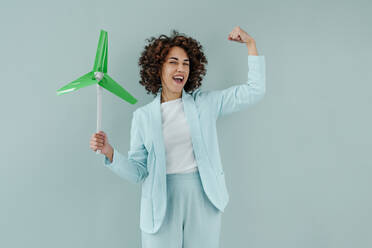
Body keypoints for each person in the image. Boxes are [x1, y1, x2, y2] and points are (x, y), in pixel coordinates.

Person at [89, 26, 266, 248]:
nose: (180, 68)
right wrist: (109, 152)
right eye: (173, 62)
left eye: (186, 63)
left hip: (204, 198)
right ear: (158, 68)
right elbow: (138, 172)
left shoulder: (205, 103)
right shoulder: (143, 117)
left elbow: (254, 91)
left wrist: (251, 44)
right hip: (160, 203)